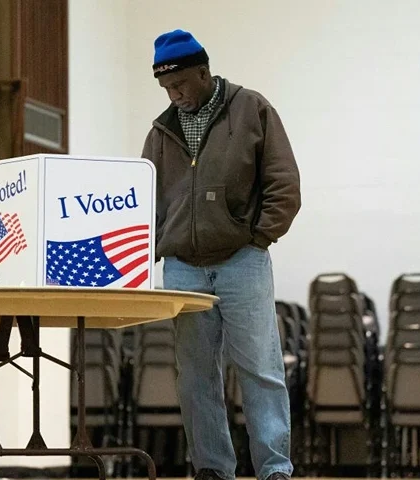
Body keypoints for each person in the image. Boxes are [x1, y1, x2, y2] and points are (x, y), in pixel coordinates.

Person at [141, 29, 301, 480]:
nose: (174, 95)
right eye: (166, 88)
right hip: (183, 268)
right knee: (194, 377)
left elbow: (284, 182)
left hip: (242, 262)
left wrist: (259, 237)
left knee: (260, 369)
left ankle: (275, 470)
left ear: (203, 72)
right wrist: (146, 254)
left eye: (180, 85)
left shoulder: (252, 109)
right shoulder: (160, 133)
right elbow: (145, 204)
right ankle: (212, 468)